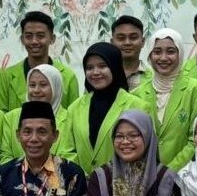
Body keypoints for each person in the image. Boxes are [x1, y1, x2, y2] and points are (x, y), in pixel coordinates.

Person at [60, 42, 152, 175]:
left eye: (102, 66)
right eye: (89, 68)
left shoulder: (138, 106)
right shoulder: (75, 107)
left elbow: (145, 151)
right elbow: (67, 150)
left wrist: (107, 180)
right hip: (82, 183)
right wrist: (82, 178)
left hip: (122, 182)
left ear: (114, 67)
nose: (95, 72)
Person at [132, 28, 197, 171]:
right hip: (146, 175)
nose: (163, 58)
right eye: (157, 52)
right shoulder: (137, 94)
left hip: (185, 174)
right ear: (149, 55)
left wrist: (168, 172)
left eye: (171, 51)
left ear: (180, 54)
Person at [0, 11, 79, 111]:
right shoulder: (7, 76)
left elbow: (73, 115)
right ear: (22, 39)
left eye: (40, 36)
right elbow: (0, 115)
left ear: (52, 39)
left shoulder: (68, 77)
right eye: (29, 36)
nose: (34, 41)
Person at [0, 64, 68, 165]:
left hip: (58, 174)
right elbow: (5, 155)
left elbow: (67, 156)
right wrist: (25, 171)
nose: (36, 90)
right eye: (32, 85)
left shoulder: (68, 119)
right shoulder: (11, 117)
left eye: (43, 85)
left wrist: (44, 172)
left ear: (55, 87)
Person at [110, 15, 151, 90]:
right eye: (121, 38)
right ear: (112, 43)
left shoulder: (154, 77)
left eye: (133, 37)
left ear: (143, 42)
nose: (127, 43)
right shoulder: (101, 76)